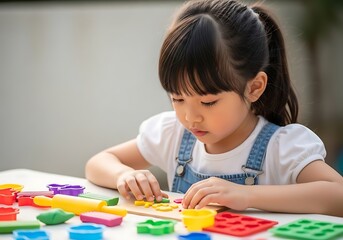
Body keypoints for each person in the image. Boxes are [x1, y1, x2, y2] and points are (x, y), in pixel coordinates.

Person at [85, 0, 343, 217]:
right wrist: (124, 176)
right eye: (177, 98)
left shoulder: (280, 148)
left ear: (254, 88)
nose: (190, 116)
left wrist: (246, 194)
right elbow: (98, 163)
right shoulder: (173, 135)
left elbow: (338, 195)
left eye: (208, 102)